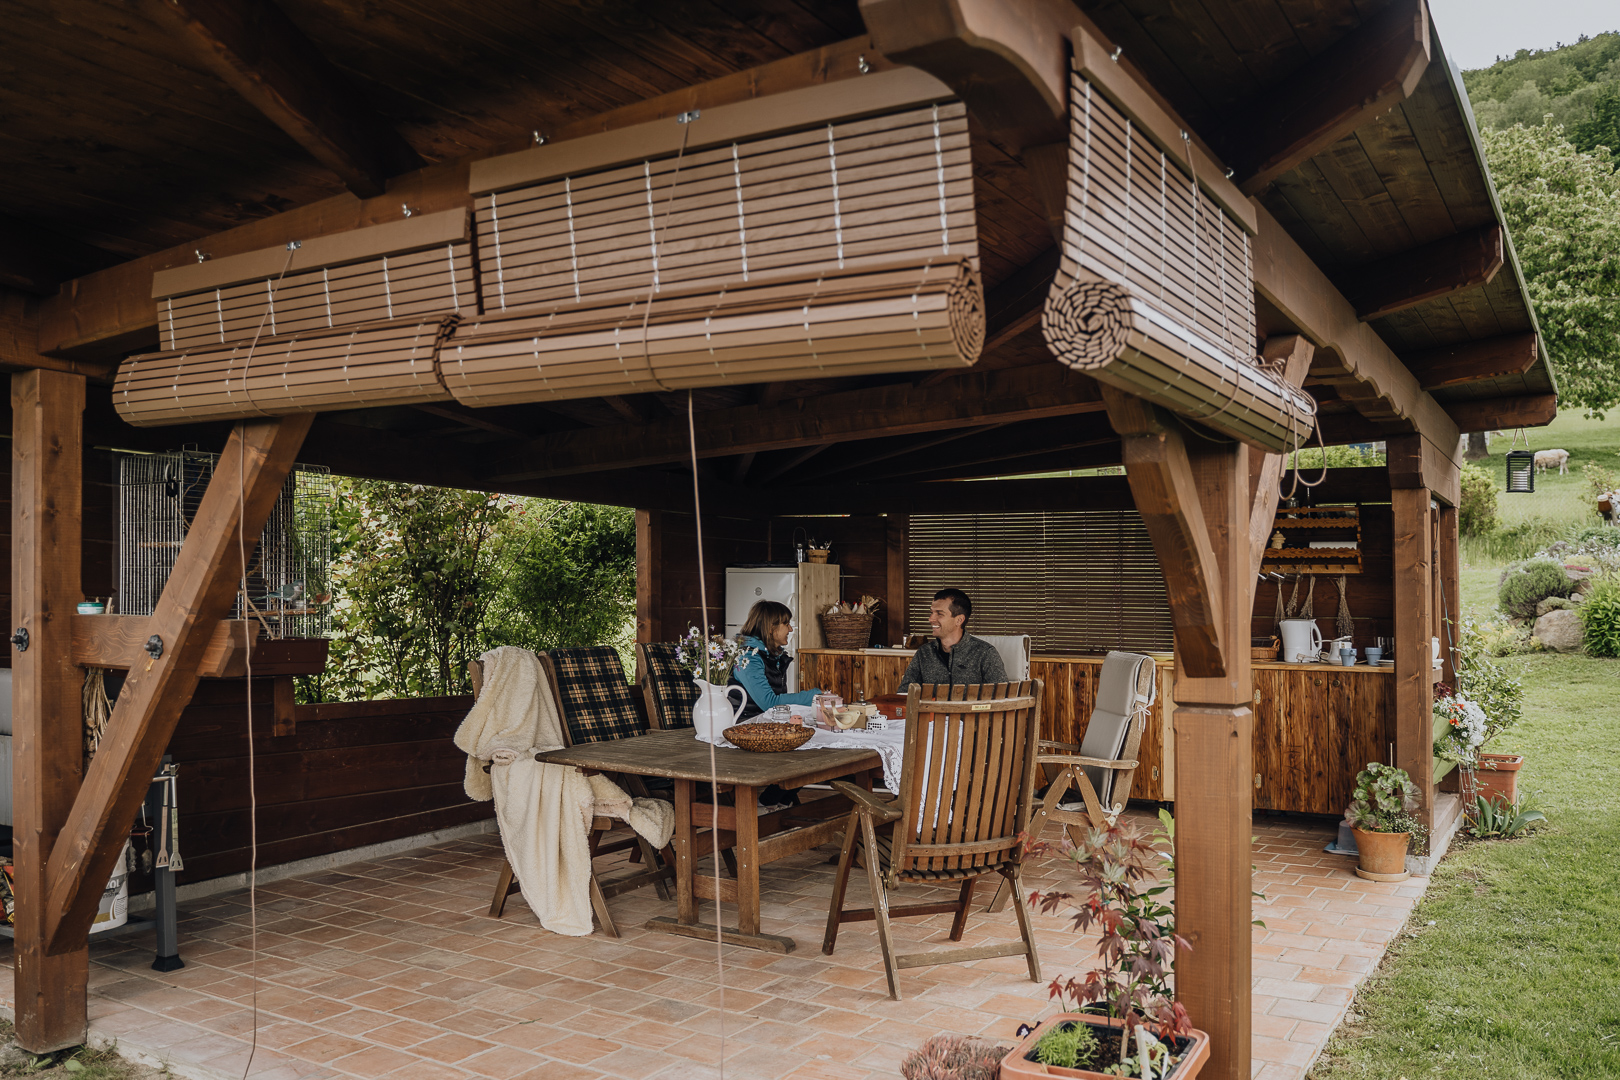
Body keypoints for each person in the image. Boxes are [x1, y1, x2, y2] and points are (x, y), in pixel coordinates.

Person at [897, 588, 1007, 690]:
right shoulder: (924, 653)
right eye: (931, 612)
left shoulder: (985, 653)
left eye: (939, 614)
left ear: (959, 620)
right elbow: (904, 692)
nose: (931, 619)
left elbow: (1002, 697)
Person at [730, 600, 823, 720]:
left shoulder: (772, 655)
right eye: (786, 624)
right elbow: (769, 703)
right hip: (747, 725)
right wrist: (815, 696)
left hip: (767, 721)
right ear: (770, 628)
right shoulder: (748, 658)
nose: (790, 629)